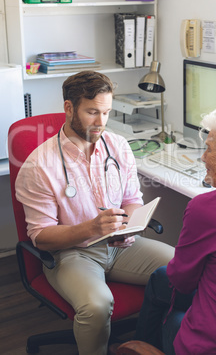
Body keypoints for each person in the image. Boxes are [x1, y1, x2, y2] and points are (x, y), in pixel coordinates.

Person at [15, 71, 174, 355]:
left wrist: (131, 225)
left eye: (106, 112)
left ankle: (147, 345)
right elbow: (41, 238)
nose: (101, 122)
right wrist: (91, 228)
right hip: (72, 253)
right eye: (92, 112)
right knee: (97, 305)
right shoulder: (39, 165)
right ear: (69, 107)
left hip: (121, 246)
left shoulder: (118, 147)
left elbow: (131, 199)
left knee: (183, 268)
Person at [135, 105, 216, 354]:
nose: (202, 157)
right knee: (161, 277)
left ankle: (144, 347)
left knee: (164, 282)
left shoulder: (206, 207)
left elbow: (182, 282)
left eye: (209, 149)